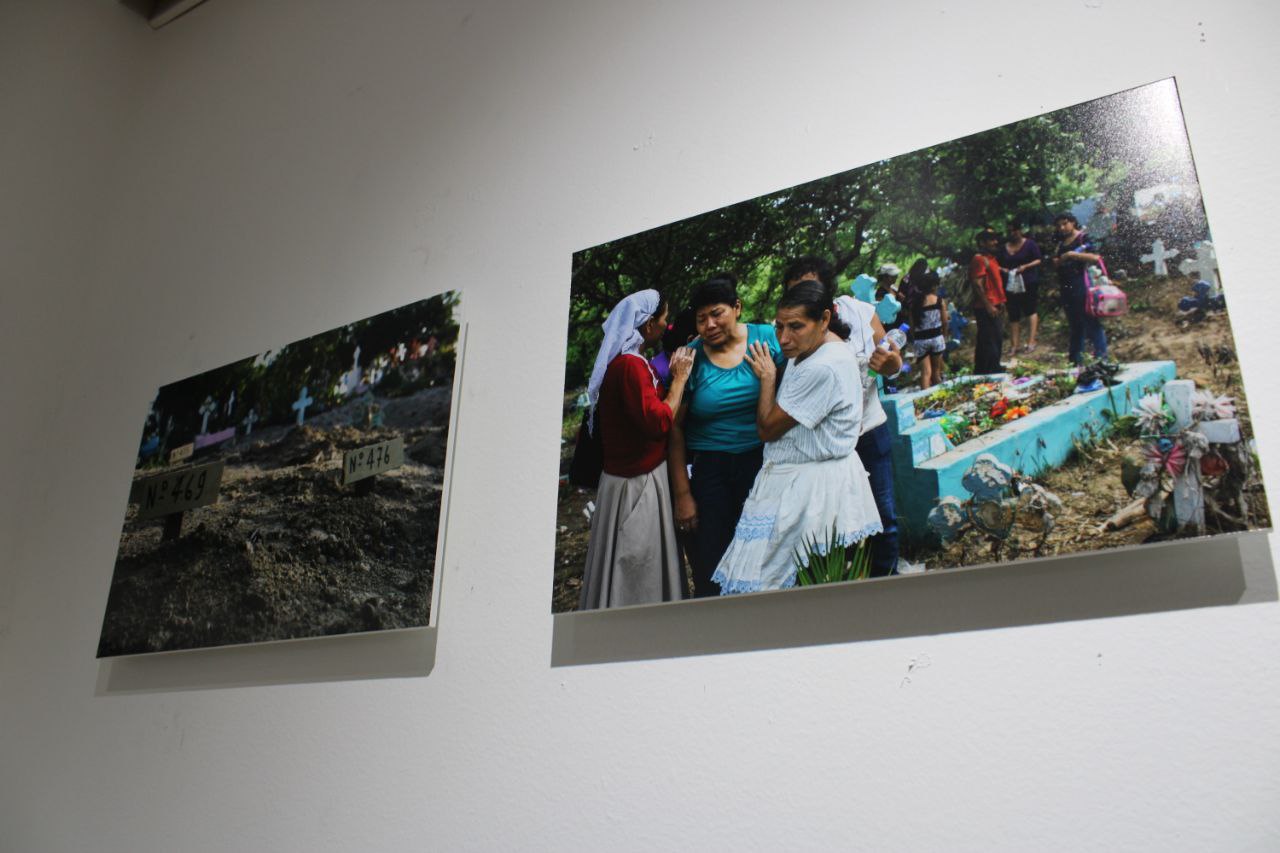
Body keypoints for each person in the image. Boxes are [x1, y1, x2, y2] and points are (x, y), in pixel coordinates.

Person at [711, 282, 883, 593]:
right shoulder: (814, 347)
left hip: (808, 489)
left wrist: (767, 378)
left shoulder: (823, 366)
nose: (783, 338)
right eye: (779, 327)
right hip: (807, 479)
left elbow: (767, 428)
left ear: (825, 319)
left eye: (795, 327)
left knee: (779, 584)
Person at [783, 259, 902, 577]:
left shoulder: (860, 312)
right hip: (824, 446)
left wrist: (889, 363)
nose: (806, 295)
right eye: (797, 291)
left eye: (812, 287)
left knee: (884, 518)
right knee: (828, 528)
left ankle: (887, 585)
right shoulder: (791, 332)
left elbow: (893, 359)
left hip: (869, 432)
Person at [669, 278, 785, 597]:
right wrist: (682, 495)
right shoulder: (690, 359)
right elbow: (675, 427)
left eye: (717, 314)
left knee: (767, 554)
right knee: (714, 561)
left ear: (737, 308)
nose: (709, 325)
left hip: (763, 464)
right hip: (711, 471)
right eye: (701, 318)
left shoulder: (769, 340)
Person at [580, 290, 695, 610]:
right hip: (638, 484)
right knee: (639, 564)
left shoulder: (624, 364)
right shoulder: (631, 366)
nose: (666, 324)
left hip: (620, 480)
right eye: (662, 318)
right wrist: (679, 380)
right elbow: (658, 422)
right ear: (647, 326)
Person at [1051, 213, 1108, 365]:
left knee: (1091, 321)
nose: (1062, 228)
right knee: (1075, 325)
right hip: (1066, 286)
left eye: (1065, 224)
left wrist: (1071, 255)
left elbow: (1096, 258)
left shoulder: (1084, 238)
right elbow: (1056, 262)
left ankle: (1102, 359)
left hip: (1083, 283)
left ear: (1073, 222)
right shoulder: (1060, 243)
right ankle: (1075, 361)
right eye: (1059, 226)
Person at [997, 220, 1043, 354]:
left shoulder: (1030, 244)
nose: (1012, 233)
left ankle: (1031, 341)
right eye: (1010, 231)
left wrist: (1026, 266)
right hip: (1010, 283)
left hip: (1028, 282)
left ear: (1020, 231)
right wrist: (1003, 269)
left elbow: (1038, 259)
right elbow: (997, 264)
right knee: (1013, 313)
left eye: (1015, 230)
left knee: (1030, 310)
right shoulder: (1003, 248)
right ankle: (1014, 344)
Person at [969, 228, 1006, 375]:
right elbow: (977, 284)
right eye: (991, 239)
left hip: (995, 305)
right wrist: (989, 305)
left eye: (995, 239)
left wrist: (1001, 301)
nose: (995, 242)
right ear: (982, 243)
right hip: (985, 307)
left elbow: (994, 283)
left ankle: (991, 368)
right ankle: (988, 371)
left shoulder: (992, 259)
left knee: (995, 338)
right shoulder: (979, 259)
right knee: (989, 340)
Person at [910, 271, 948, 389]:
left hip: (921, 340)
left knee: (926, 373)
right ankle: (939, 399)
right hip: (936, 338)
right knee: (936, 373)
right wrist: (944, 336)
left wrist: (915, 339)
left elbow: (912, 326)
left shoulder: (914, 303)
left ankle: (924, 402)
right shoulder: (939, 300)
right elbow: (945, 321)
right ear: (933, 286)